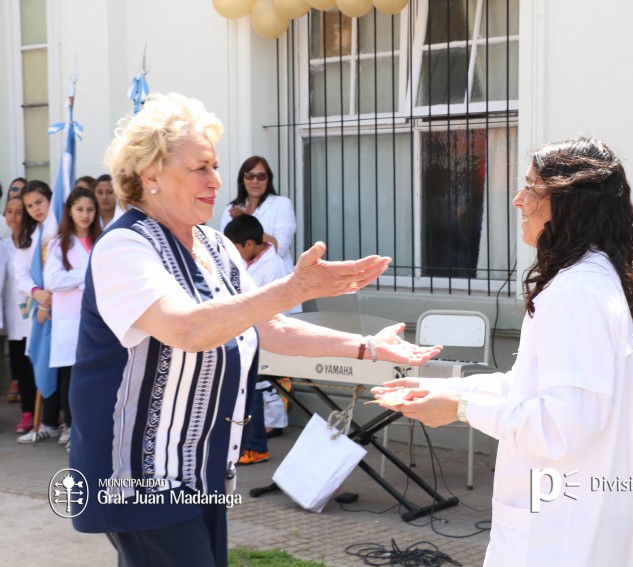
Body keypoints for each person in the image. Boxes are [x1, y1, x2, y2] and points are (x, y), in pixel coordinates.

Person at [68, 93, 440, 567]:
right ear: (151, 175)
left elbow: (270, 328)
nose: (216, 181)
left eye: (216, 166)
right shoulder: (123, 247)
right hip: (139, 476)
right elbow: (186, 329)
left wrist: (368, 347)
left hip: (201, 471)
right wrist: (293, 287)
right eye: (200, 168)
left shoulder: (214, 245)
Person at [373, 137, 633, 566]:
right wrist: (451, 391)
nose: (517, 200)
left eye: (530, 186)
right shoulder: (588, 277)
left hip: (559, 536)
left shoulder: (576, 291)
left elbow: (561, 425)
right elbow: (534, 388)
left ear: (569, 202)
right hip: (569, 520)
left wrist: (461, 409)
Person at [224, 214, 288, 465]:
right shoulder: (249, 260)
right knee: (248, 387)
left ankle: (256, 446)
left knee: (254, 388)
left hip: (271, 332)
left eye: (236, 248)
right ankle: (247, 444)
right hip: (249, 330)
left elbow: (268, 306)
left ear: (249, 244)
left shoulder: (273, 267)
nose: (234, 254)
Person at [44, 187, 101, 447]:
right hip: (69, 320)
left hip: (97, 319)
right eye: (79, 209)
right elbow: (53, 280)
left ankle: (88, 428)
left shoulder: (102, 241)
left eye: (90, 209)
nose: (85, 215)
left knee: (94, 376)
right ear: (69, 211)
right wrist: (86, 276)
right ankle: (70, 425)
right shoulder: (59, 244)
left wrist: (77, 279)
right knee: (71, 376)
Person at [15, 180, 60, 443]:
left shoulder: (61, 230)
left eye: (39, 202)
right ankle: (48, 421)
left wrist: (49, 297)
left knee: (65, 365)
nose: (36, 209)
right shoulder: (28, 237)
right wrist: (37, 293)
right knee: (44, 360)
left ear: (50, 200)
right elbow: (21, 274)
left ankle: (64, 422)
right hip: (41, 308)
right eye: (30, 206)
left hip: (62, 306)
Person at [219, 156, 296, 271]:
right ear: (242, 180)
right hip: (242, 276)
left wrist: (246, 221)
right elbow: (223, 247)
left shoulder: (282, 204)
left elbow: (279, 249)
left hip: (275, 276)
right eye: (249, 176)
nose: (255, 181)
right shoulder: (231, 209)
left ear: (268, 179)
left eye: (261, 176)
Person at [3, 195, 36, 433]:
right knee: (20, 366)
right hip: (13, 317)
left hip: (34, 315)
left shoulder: (34, 242)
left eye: (19, 212)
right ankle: (27, 413)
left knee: (37, 365)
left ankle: (47, 415)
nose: (14, 217)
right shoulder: (3, 246)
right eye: (9, 211)